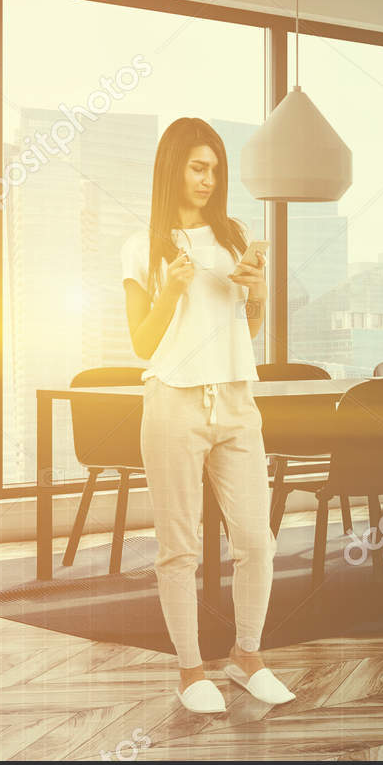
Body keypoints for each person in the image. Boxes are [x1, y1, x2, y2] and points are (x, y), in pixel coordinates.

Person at [121, 117, 294, 712]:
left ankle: (248, 658)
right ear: (174, 168)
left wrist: (259, 292)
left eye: (215, 168)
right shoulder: (141, 246)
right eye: (198, 166)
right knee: (180, 548)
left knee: (257, 541)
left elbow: (247, 329)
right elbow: (142, 344)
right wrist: (169, 291)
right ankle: (191, 671)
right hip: (173, 402)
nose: (208, 178)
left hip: (237, 401)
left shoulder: (233, 236)